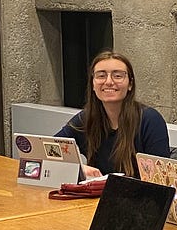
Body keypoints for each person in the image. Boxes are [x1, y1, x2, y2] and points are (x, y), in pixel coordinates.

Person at [59, 50, 169, 178]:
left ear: (130, 84)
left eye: (117, 76)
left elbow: (161, 179)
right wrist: (78, 167)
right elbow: (49, 151)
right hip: (97, 195)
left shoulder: (149, 119)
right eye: (101, 76)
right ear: (93, 85)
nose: (109, 82)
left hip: (139, 196)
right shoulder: (86, 118)